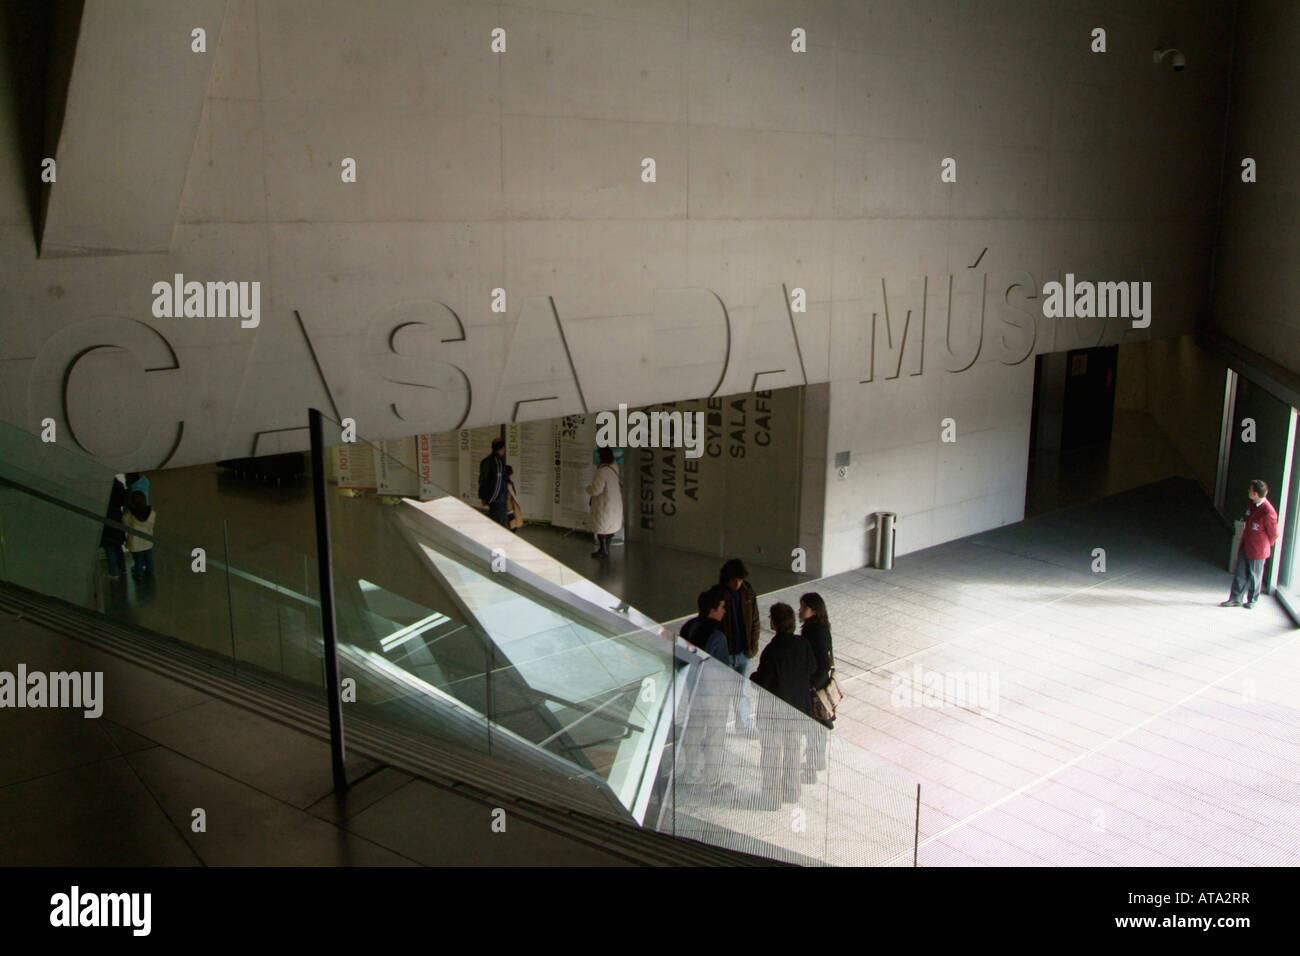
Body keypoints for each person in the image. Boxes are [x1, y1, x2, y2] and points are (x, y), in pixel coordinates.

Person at [750, 602, 817, 810]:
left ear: (773, 622)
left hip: (774, 714)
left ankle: (772, 798)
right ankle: (791, 792)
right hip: (797, 711)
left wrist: (753, 677)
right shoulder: (803, 644)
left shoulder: (772, 650)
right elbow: (813, 668)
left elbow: (762, 681)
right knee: (792, 751)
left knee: (771, 755)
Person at [678, 587, 732, 791]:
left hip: (693, 690)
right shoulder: (718, 636)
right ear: (713, 609)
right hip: (714, 694)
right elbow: (724, 670)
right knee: (715, 736)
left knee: (693, 732)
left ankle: (690, 774)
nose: (724, 611)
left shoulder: (688, 627)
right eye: (722, 607)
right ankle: (712, 779)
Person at [1222, 478, 1280, 609]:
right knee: (1240, 572)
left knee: (1255, 575)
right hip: (1246, 544)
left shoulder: (1268, 512)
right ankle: (1235, 598)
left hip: (1258, 549)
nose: (1248, 491)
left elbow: (1274, 534)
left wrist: (1265, 545)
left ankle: (1252, 599)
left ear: (1256, 494)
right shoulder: (1251, 503)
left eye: (1251, 490)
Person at [718, 558, 760, 734]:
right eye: (735, 580)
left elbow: (755, 621)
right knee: (722, 693)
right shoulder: (718, 595)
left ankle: (744, 726)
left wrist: (753, 646)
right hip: (725, 654)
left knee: (740, 691)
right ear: (727, 578)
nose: (738, 583)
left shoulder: (748, 592)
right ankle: (717, 728)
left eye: (740, 580)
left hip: (743, 652)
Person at [799, 592, 834, 782]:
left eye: (804, 607)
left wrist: (812, 685)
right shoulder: (820, 627)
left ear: (813, 610)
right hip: (819, 685)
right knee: (819, 726)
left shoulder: (814, 631)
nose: (800, 610)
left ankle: (811, 770)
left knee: (813, 728)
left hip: (815, 688)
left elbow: (824, 663)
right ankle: (818, 761)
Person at [585, 447, 623, 558]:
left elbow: (596, 490)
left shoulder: (601, 471)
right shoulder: (614, 467)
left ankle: (603, 549)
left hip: (604, 503)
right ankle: (606, 548)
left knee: (601, 527)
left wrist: (587, 488)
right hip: (614, 502)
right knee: (610, 526)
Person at [123, 490, 156, 578]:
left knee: (138, 560)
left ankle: (138, 573)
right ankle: (150, 571)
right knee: (149, 558)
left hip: (135, 542)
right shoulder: (152, 513)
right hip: (148, 541)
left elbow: (125, 523)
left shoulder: (129, 515)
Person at [477, 437, 509, 527]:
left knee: (494, 523)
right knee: (500, 525)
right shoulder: (498, 462)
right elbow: (498, 482)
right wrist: (493, 499)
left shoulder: (485, 461)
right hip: (498, 500)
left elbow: (481, 480)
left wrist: (483, 497)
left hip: (491, 499)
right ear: (502, 448)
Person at [100, 476, 128, 578]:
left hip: (107, 525)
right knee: (117, 547)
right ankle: (122, 569)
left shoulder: (105, 501)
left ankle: (113, 572)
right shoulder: (119, 489)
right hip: (117, 520)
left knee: (110, 548)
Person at [505, 465, 524, 531]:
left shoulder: (503, 484)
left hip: (504, 510)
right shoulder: (509, 484)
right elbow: (514, 495)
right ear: (511, 473)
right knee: (512, 528)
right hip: (510, 510)